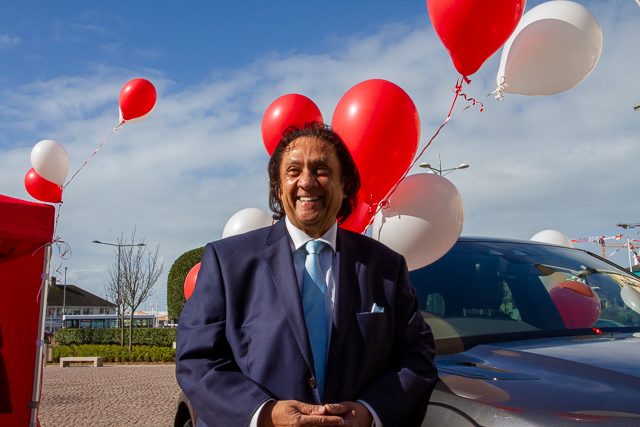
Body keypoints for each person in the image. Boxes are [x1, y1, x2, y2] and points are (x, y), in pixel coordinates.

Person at [176, 122, 437, 427]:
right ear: (278, 187)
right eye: (293, 171)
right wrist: (264, 414)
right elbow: (197, 360)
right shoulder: (227, 261)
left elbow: (416, 356)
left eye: (322, 170)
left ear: (345, 184)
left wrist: (370, 412)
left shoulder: (386, 267)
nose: (307, 182)